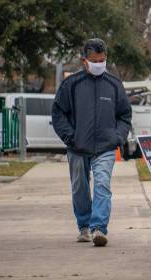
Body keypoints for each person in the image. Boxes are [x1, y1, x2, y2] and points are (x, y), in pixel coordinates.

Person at [51, 38, 131, 246]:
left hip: (105, 147)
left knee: (103, 184)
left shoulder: (114, 85)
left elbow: (124, 115)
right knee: (80, 188)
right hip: (78, 148)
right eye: (95, 61)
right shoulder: (71, 84)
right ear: (84, 61)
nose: (99, 64)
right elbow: (58, 113)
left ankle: (99, 229)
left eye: (102, 60)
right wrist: (71, 137)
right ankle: (84, 226)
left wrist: (118, 137)